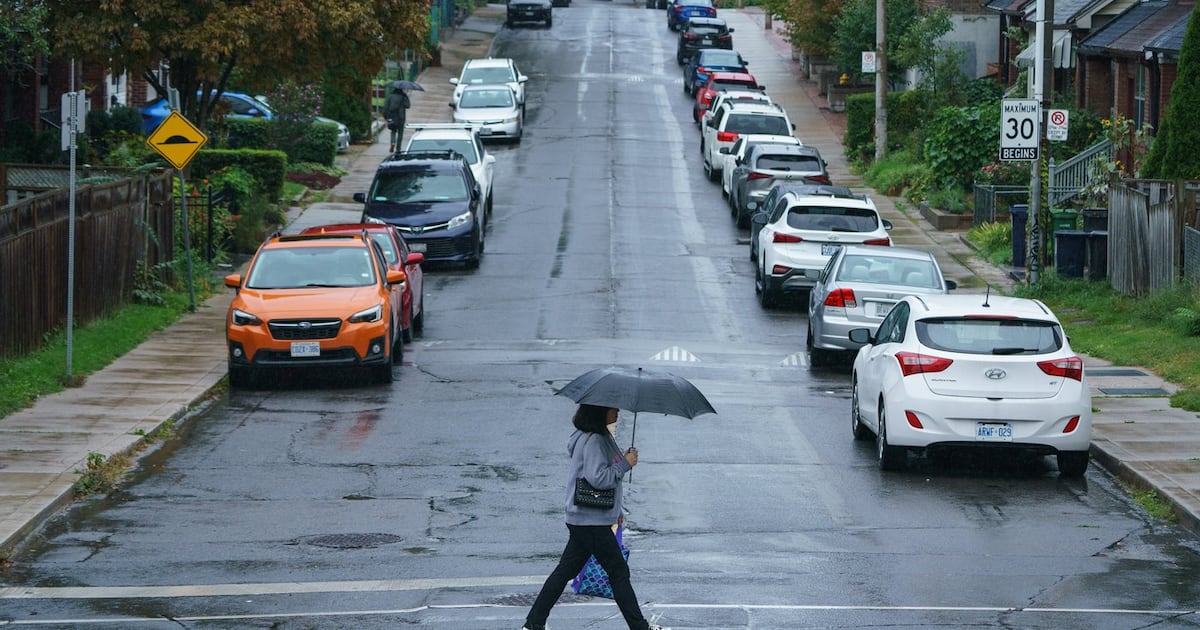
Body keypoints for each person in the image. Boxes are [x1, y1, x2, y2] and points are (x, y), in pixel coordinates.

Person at [522, 404, 669, 630]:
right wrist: (625, 464)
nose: (618, 411)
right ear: (600, 410)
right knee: (618, 572)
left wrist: (616, 511)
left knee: (565, 571)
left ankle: (533, 624)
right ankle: (640, 627)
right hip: (591, 522)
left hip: (584, 518)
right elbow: (597, 478)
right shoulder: (595, 440)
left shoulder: (589, 436)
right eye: (613, 408)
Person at [384, 85, 411, 152]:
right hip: (401, 117)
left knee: (393, 130)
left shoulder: (390, 96)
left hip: (392, 117)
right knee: (400, 133)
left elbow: (386, 107)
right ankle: (398, 148)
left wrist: (385, 116)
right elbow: (408, 106)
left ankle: (393, 142)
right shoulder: (403, 96)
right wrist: (406, 97)